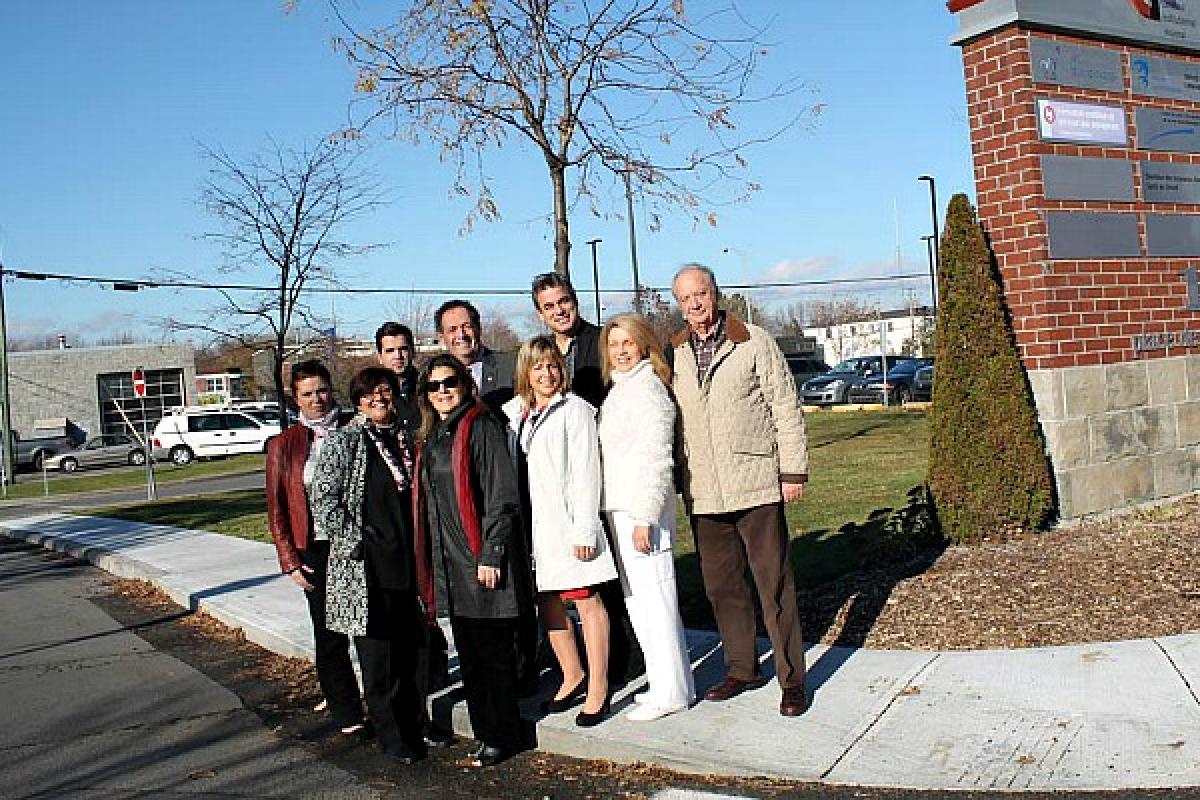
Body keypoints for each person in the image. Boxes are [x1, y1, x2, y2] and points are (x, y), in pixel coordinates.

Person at [669, 264, 811, 718]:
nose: (695, 304)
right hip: (705, 492)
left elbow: (785, 407)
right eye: (686, 298)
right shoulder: (673, 353)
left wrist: (793, 471)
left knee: (774, 587)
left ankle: (792, 681)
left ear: (716, 292)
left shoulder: (753, 341)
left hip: (756, 484)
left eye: (702, 293)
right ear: (679, 304)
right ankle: (741, 668)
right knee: (723, 588)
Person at [412, 354, 532, 767]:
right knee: (473, 656)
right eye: (434, 386)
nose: (443, 391)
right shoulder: (436, 434)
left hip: (481, 561)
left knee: (493, 656)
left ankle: (504, 734)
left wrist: (491, 552)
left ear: (465, 384)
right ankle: (487, 733)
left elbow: (502, 496)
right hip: (451, 565)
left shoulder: (480, 426)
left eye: (450, 383)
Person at [310, 367, 429, 763]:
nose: (377, 399)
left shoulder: (406, 438)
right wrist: (353, 540)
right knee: (378, 661)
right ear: (357, 401)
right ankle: (391, 735)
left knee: (411, 654)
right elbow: (323, 501)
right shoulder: (345, 440)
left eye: (384, 391)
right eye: (367, 395)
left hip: (407, 564)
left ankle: (416, 724)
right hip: (365, 569)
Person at [502, 336, 617, 727]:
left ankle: (599, 687)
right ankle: (572, 675)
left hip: (569, 526)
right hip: (537, 530)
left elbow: (588, 472)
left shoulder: (576, 411)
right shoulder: (519, 414)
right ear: (525, 373)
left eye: (552, 365)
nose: (546, 373)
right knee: (548, 602)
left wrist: (585, 529)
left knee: (586, 603)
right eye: (537, 367)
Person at [531, 272, 637, 686]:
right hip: (568, 479)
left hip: (608, 468)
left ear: (574, 300)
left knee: (612, 582)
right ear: (540, 313)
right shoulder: (542, 357)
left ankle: (618, 666)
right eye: (549, 306)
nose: (559, 311)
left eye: (564, 301)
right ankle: (583, 668)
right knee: (577, 583)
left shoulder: (602, 342)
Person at [597, 314, 695, 722]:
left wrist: (645, 517)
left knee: (656, 602)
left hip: (641, 514)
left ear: (643, 345)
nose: (620, 351)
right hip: (621, 509)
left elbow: (657, 460)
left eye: (627, 343)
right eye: (613, 344)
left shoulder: (649, 390)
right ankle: (668, 682)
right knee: (641, 603)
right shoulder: (622, 389)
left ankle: (671, 693)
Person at [266, 359, 365, 736]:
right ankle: (347, 712)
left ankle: (383, 701)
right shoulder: (284, 445)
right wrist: (289, 559)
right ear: (296, 398)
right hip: (314, 550)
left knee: (368, 631)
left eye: (322, 390)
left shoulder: (356, 428)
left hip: (355, 546)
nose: (317, 399)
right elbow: (276, 507)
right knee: (329, 634)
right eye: (307, 394)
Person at [434, 299, 515, 416]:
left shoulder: (511, 367)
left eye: (467, 326)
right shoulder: (434, 379)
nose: (461, 335)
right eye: (452, 329)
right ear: (441, 337)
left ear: (479, 328)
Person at [375, 321, 420, 436]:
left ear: (412, 352)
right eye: (390, 351)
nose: (397, 356)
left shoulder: (431, 387)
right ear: (380, 357)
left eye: (403, 349)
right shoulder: (372, 396)